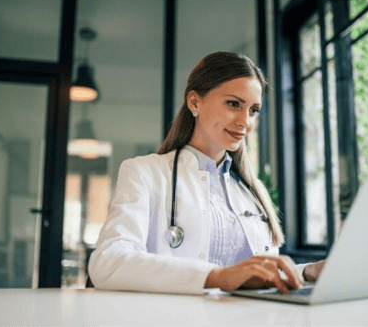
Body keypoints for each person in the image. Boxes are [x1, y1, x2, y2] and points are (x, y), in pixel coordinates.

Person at [88, 51, 324, 294]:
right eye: (234, 104)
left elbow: (259, 276)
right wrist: (218, 277)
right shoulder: (145, 172)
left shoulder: (253, 191)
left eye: (254, 110)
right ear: (194, 102)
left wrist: (307, 272)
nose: (245, 122)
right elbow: (108, 263)